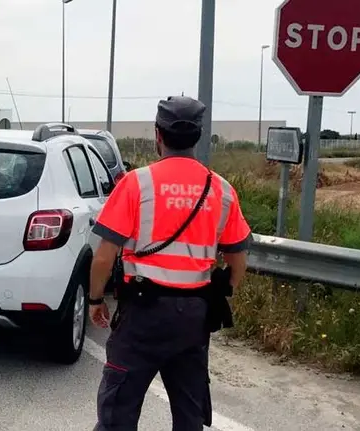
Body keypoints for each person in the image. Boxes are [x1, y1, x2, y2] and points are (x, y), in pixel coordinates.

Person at [87, 96, 252, 431]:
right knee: (189, 414)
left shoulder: (136, 183)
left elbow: (105, 255)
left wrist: (94, 300)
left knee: (118, 411)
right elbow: (238, 262)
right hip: (194, 317)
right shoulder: (221, 190)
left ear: (157, 135)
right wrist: (222, 294)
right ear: (198, 137)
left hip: (142, 314)